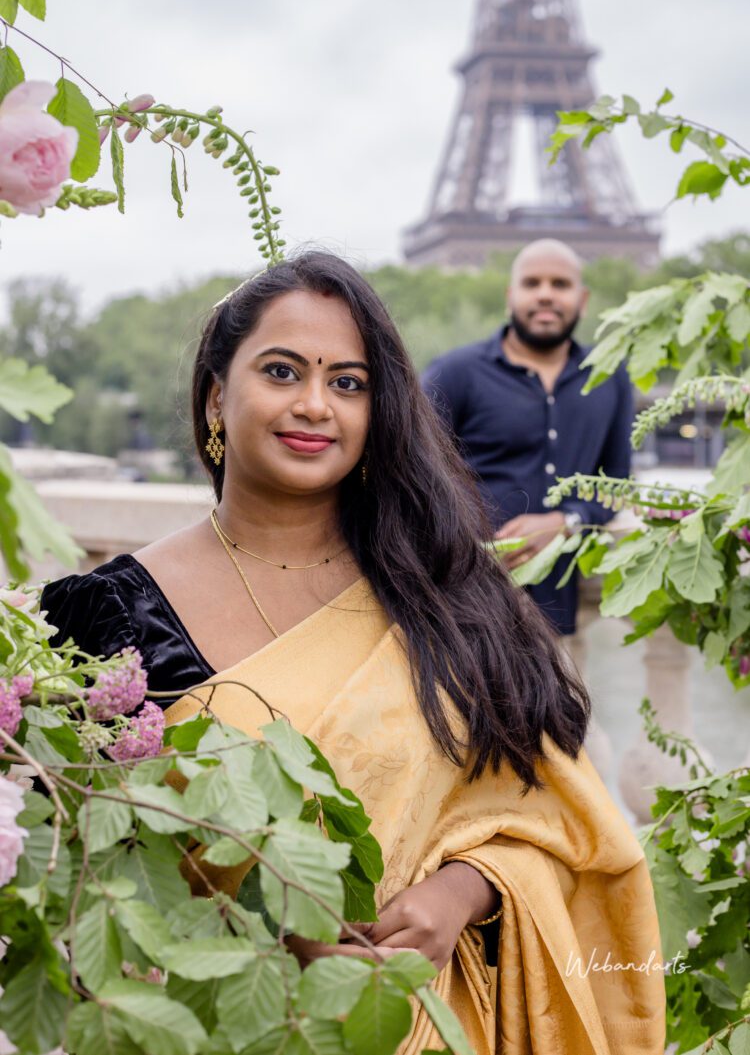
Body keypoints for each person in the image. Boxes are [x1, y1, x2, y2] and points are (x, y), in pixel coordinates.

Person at [42, 251, 664, 1054]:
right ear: (215, 398)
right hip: (220, 1025)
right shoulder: (100, 618)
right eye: (281, 370)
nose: (314, 405)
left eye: (348, 382)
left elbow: (555, 811)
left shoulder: (448, 588)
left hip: (433, 1018)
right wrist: (273, 926)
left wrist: (462, 890)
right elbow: (82, 871)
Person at [421, 238, 633, 639]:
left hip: (555, 610)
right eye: (532, 283)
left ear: (582, 299)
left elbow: (617, 482)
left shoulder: (610, 379)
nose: (546, 295)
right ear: (510, 296)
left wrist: (565, 521)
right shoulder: (455, 373)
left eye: (560, 284)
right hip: (460, 605)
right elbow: (409, 468)